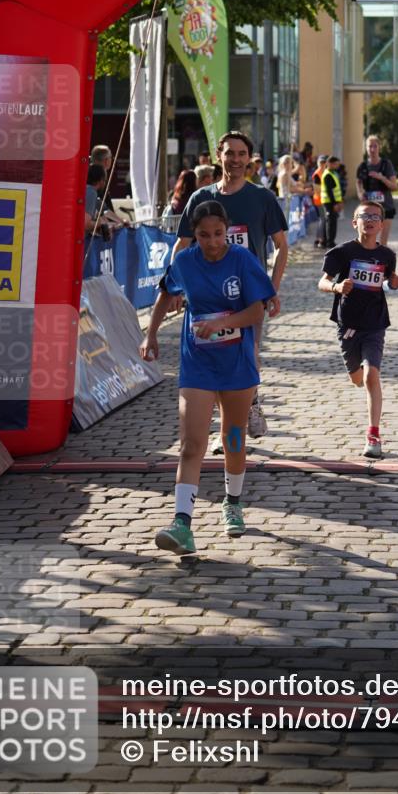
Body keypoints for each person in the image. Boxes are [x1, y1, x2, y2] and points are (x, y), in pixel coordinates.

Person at [141, 201, 275, 555]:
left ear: (227, 230)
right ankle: (182, 524)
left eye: (218, 234)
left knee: (233, 438)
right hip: (197, 363)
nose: (213, 242)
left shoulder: (242, 260)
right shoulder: (185, 261)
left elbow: (257, 310)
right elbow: (166, 293)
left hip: (237, 364)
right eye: (204, 235)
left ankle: (233, 502)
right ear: (194, 234)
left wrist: (222, 324)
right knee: (191, 443)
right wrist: (150, 334)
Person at [173, 131, 288, 441]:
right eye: (229, 153)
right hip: (206, 298)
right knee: (212, 358)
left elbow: (281, 246)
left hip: (247, 298)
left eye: (241, 154)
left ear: (248, 158)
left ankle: (250, 405)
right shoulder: (201, 198)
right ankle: (226, 428)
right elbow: (181, 246)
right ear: (218, 155)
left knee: (248, 353)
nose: (235, 160)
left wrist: (271, 288)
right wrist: (177, 288)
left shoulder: (262, 197)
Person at [318, 200, 398, 460]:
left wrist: (394, 282)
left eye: (376, 216)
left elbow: (387, 281)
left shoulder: (387, 255)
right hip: (348, 325)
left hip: (375, 323)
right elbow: (322, 282)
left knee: (370, 376)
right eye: (365, 216)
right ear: (355, 222)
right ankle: (357, 374)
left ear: (381, 224)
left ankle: (373, 435)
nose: (371, 220)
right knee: (357, 378)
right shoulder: (342, 253)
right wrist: (336, 287)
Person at [355, 135, 398, 246]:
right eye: (370, 146)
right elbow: (358, 182)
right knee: (367, 240)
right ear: (366, 148)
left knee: (383, 243)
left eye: (375, 146)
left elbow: (395, 187)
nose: (372, 149)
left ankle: (381, 257)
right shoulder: (362, 166)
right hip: (368, 209)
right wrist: (360, 193)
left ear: (379, 147)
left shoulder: (386, 164)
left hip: (386, 207)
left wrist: (381, 178)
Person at [320, 155, 344, 248]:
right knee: (331, 223)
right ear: (329, 164)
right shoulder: (328, 175)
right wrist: (335, 203)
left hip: (332, 202)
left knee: (330, 222)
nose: (337, 166)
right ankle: (330, 242)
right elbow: (329, 191)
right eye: (335, 164)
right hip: (329, 202)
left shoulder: (333, 173)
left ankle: (327, 241)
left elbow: (336, 189)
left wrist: (340, 201)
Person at [311, 154, 329, 248]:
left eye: (324, 162)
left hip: (323, 199)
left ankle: (318, 239)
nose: (322, 164)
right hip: (319, 200)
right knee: (322, 220)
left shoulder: (324, 172)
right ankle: (321, 240)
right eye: (321, 162)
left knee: (322, 220)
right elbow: (317, 189)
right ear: (318, 163)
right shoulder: (317, 174)